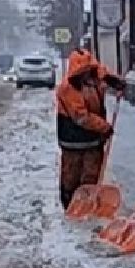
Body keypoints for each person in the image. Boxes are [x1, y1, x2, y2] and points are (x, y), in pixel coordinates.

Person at [54, 50, 117, 209]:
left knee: (91, 172)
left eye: (88, 70)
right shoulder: (67, 89)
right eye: (83, 71)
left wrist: (112, 80)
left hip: (93, 139)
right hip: (72, 138)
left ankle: (87, 203)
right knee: (71, 174)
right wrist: (104, 127)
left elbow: (102, 73)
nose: (87, 74)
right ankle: (69, 203)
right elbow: (81, 117)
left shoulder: (93, 80)